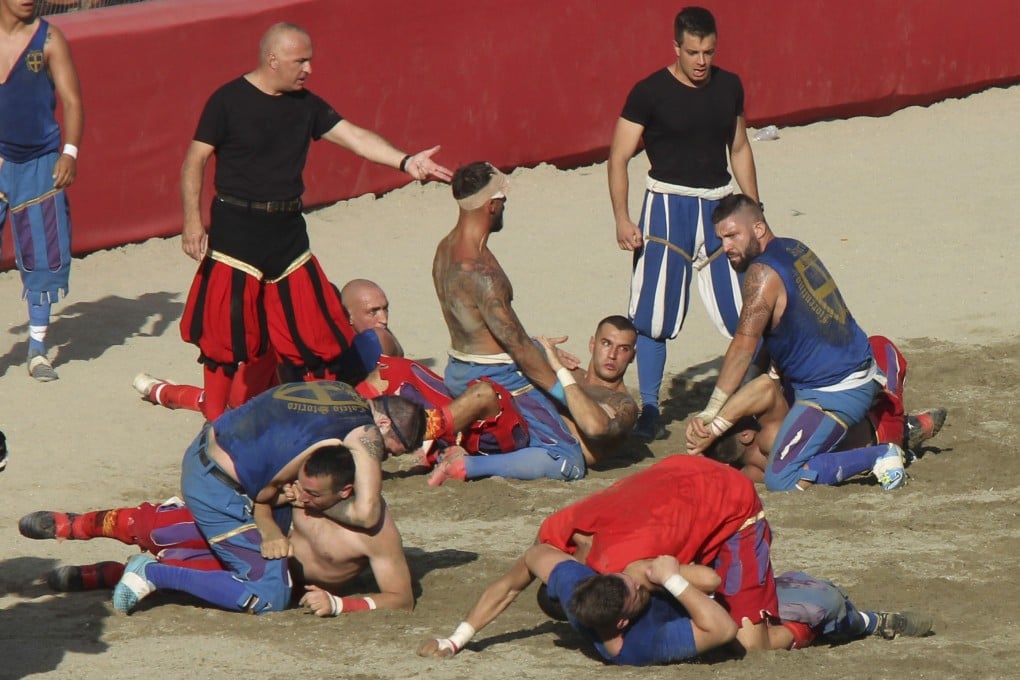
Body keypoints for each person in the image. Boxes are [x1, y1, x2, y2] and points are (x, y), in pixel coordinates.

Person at [179, 22, 451, 421]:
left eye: (309, 60)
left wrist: (407, 162)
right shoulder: (227, 101)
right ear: (273, 59)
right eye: (299, 60)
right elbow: (194, 160)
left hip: (287, 237)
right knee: (225, 342)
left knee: (315, 337)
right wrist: (192, 222)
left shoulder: (306, 105)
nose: (308, 69)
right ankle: (216, 424)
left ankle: (320, 417)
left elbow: (356, 137)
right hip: (236, 234)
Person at [420, 455, 781, 662]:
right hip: (678, 474)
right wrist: (668, 577)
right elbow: (511, 584)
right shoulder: (559, 532)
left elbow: (709, 581)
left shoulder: (625, 569)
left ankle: (796, 613)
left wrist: (456, 640)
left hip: (726, 495)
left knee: (749, 642)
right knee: (742, 638)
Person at [109, 380, 425, 615]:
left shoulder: (340, 392)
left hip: (207, 450)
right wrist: (306, 503)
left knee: (185, 542)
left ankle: (96, 570)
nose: (379, 463)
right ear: (382, 424)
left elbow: (273, 471)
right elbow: (367, 514)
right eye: (386, 452)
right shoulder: (364, 432)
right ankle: (150, 573)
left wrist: (340, 604)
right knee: (269, 595)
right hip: (220, 485)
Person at [19, 446, 414, 616]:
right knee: (163, 527)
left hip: (275, 579)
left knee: (185, 580)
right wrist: (273, 509)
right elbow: (259, 496)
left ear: (344, 492)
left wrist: (342, 605)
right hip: (251, 537)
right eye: (302, 487)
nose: (303, 497)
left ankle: (102, 575)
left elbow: (402, 598)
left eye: (313, 494)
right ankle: (75, 525)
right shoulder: (300, 484)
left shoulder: (375, 529)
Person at [608, 6, 760, 440]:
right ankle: (652, 410)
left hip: (719, 208)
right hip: (665, 208)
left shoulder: (729, 85)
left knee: (745, 313)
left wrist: (754, 210)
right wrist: (622, 218)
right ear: (676, 47)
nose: (701, 61)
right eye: (692, 52)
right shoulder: (649, 92)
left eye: (708, 52)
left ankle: (751, 398)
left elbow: (741, 147)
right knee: (654, 314)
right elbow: (618, 157)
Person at [690, 194, 907, 492]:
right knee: (772, 419)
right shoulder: (793, 246)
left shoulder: (761, 274)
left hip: (834, 392)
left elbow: (743, 346)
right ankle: (902, 428)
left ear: (759, 229)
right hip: (853, 370)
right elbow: (782, 333)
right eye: (721, 238)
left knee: (781, 478)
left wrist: (711, 414)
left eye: (732, 236)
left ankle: (880, 454)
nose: (725, 247)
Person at [432, 161, 585, 481]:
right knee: (569, 459)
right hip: (498, 376)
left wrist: (540, 347)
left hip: (459, 367)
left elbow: (489, 330)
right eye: (503, 203)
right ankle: (467, 467)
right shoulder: (483, 272)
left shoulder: (444, 249)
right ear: (492, 205)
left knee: (552, 359)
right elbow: (518, 350)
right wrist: (564, 393)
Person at [687, 335, 948, 484]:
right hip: (879, 424)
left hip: (857, 448)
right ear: (746, 435)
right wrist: (717, 419)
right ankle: (904, 428)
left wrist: (702, 451)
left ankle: (907, 431)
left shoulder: (746, 472)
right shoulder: (770, 432)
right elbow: (764, 386)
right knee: (880, 346)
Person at [133, 278, 402, 416]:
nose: (384, 319)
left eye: (384, 308)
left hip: (304, 386)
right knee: (218, 404)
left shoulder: (368, 341)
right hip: (261, 396)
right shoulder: (279, 349)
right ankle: (162, 390)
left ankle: (160, 390)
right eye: (374, 311)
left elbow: (398, 369)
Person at [426, 315, 640, 484]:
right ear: (592, 344)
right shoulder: (573, 373)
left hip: (546, 452)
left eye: (623, 349)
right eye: (606, 343)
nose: (612, 355)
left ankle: (457, 460)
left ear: (632, 355)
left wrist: (556, 370)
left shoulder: (623, 403)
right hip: (513, 427)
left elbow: (595, 426)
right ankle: (428, 434)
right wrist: (537, 349)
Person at [0, 0, 83, 381]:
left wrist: (69, 152)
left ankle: (37, 349)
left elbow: (72, 100)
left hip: (39, 164)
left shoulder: (50, 39)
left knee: (44, 254)